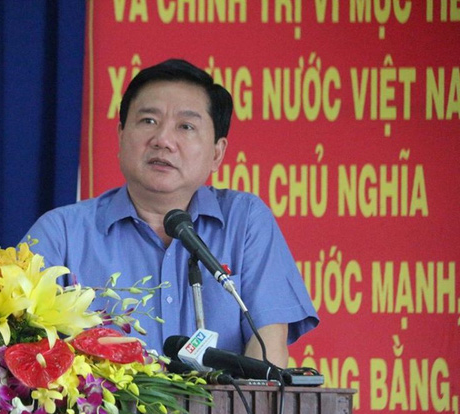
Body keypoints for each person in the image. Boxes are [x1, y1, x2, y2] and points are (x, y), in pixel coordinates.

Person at [21, 58, 318, 368]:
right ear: (121, 135)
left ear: (217, 153)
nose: (163, 140)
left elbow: (267, 350)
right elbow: (20, 351)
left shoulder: (244, 221)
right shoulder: (61, 234)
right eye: (148, 121)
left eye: (185, 126)